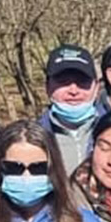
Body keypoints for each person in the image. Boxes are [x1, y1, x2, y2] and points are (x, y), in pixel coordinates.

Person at [40, 44, 105, 175]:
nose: (74, 91)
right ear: (47, 87)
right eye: (63, 82)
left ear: (96, 87)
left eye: (82, 82)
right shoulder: (35, 137)